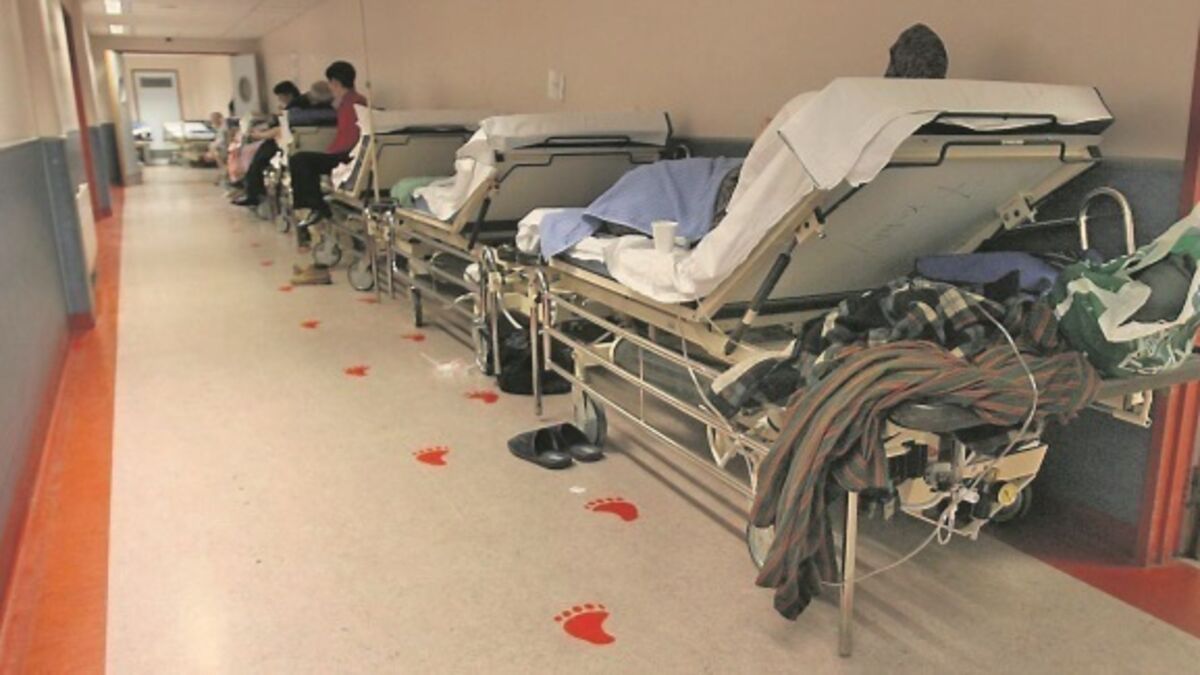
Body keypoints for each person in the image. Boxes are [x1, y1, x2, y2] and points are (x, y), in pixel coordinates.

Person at [291, 61, 366, 247]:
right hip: (345, 152)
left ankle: (316, 207)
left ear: (335, 82)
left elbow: (350, 137)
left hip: (347, 155)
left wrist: (330, 153)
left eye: (330, 84)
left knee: (300, 159)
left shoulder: (352, 104)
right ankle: (313, 206)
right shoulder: (352, 101)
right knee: (302, 160)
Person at [232, 80, 315, 207]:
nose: (280, 100)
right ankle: (250, 185)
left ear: (288, 95)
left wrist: (260, 134)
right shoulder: (311, 109)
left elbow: (280, 129)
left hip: (287, 143)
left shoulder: (293, 111)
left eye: (280, 97)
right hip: (301, 142)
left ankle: (253, 192)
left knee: (257, 158)